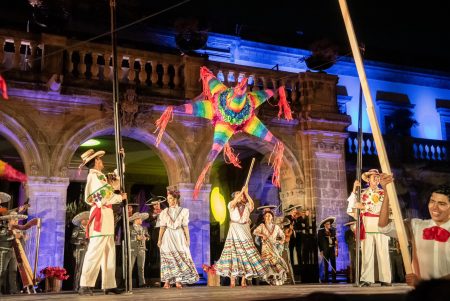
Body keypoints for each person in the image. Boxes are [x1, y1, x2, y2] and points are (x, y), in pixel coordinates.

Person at [378, 181, 450, 286]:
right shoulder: (416, 226)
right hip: (420, 294)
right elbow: (384, 227)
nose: (434, 207)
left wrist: (424, 283)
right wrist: (387, 192)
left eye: (442, 204)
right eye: (432, 201)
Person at [78, 149, 127, 295]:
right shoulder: (94, 177)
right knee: (94, 252)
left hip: (106, 217)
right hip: (100, 216)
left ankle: (109, 284)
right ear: (96, 161)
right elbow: (103, 197)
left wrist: (121, 159)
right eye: (100, 159)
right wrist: (120, 198)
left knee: (109, 252)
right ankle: (85, 284)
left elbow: (116, 180)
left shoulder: (100, 177)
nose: (102, 161)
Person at [347, 169, 392, 287]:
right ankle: (366, 278)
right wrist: (354, 191)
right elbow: (351, 208)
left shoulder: (384, 193)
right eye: (374, 177)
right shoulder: (362, 194)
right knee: (367, 252)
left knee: (383, 252)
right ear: (368, 180)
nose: (376, 180)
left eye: (378, 178)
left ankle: (385, 278)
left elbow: (390, 208)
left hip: (381, 224)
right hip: (367, 224)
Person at [216, 187, 267, 287]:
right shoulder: (231, 205)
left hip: (245, 229)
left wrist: (246, 193)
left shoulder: (247, 205)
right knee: (233, 253)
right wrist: (241, 192)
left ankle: (244, 279)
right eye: (237, 194)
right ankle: (232, 279)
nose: (240, 195)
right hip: (235, 229)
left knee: (245, 254)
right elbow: (234, 201)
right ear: (234, 197)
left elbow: (252, 204)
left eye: (241, 194)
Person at [157, 189, 198, 289]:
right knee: (168, 258)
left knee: (180, 257)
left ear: (175, 199)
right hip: (168, 235)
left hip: (179, 235)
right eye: (168, 199)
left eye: (170, 198)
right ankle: (167, 281)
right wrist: (159, 239)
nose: (169, 201)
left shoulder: (184, 211)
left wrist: (188, 239)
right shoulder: (164, 212)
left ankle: (178, 280)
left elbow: (185, 226)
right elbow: (162, 227)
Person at [253, 210, 288, 285]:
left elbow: (282, 235)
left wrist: (282, 240)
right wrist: (262, 235)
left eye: (269, 216)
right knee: (268, 263)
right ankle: (271, 279)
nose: (267, 217)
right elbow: (255, 232)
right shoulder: (262, 226)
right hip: (265, 248)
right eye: (266, 216)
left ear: (272, 217)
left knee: (275, 262)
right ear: (264, 218)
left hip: (274, 247)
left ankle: (276, 279)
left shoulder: (276, 227)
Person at [0, 211, 27, 295]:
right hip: (4, 251)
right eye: (14, 219)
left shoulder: (18, 229)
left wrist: (24, 239)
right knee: (2, 271)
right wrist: (13, 235)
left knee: (13, 271)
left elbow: (21, 242)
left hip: (14, 252)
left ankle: (13, 290)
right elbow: (2, 238)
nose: (16, 221)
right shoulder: (3, 228)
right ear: (9, 220)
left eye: (17, 219)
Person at [147, 196, 166, 284]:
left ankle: (166, 277)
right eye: (154, 205)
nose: (156, 206)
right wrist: (156, 215)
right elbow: (148, 220)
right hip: (155, 233)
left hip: (164, 232)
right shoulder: (150, 213)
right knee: (157, 254)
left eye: (158, 204)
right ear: (152, 206)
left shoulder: (164, 210)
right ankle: (159, 277)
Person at [70, 211, 90, 291]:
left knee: (88, 268)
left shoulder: (90, 229)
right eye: (86, 220)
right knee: (79, 268)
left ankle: (86, 286)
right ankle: (76, 287)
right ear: (82, 221)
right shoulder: (77, 229)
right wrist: (80, 242)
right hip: (80, 251)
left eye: (88, 219)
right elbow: (72, 240)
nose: (88, 221)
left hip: (89, 251)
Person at [129, 212, 150, 288]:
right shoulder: (130, 227)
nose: (141, 220)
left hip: (142, 249)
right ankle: (128, 283)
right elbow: (126, 238)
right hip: (132, 249)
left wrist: (146, 238)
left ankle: (142, 283)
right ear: (136, 219)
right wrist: (136, 238)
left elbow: (148, 237)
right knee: (130, 267)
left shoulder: (144, 228)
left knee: (141, 267)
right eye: (140, 219)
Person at [317, 216, 338, 283]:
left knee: (333, 263)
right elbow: (319, 242)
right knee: (326, 264)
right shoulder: (320, 232)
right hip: (325, 249)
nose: (329, 225)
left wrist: (336, 246)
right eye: (328, 224)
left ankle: (334, 279)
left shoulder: (333, 230)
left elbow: (335, 239)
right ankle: (326, 279)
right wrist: (321, 250)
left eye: (329, 224)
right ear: (325, 225)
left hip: (332, 249)